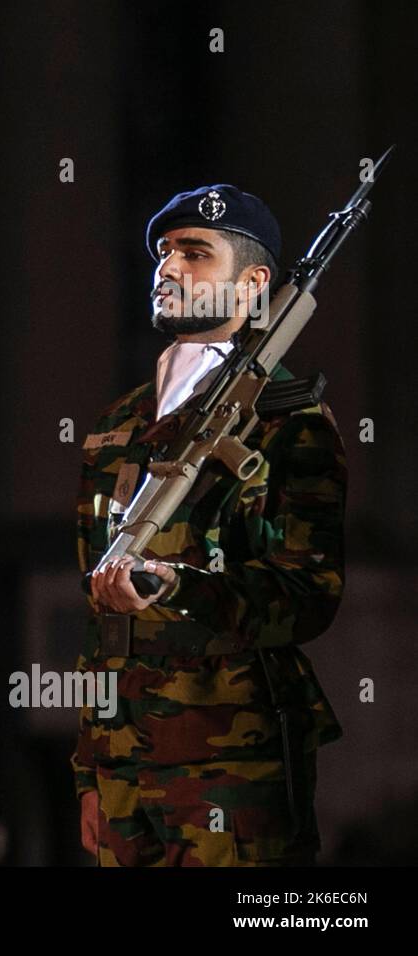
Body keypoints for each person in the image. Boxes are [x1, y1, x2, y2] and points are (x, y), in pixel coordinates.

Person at [72, 185, 347, 866]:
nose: (168, 268)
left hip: (233, 754)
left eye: (196, 253)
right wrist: (89, 768)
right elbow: (97, 612)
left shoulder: (291, 421)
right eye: (164, 252)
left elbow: (308, 595)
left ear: (254, 285)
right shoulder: (116, 426)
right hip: (124, 762)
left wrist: (179, 585)